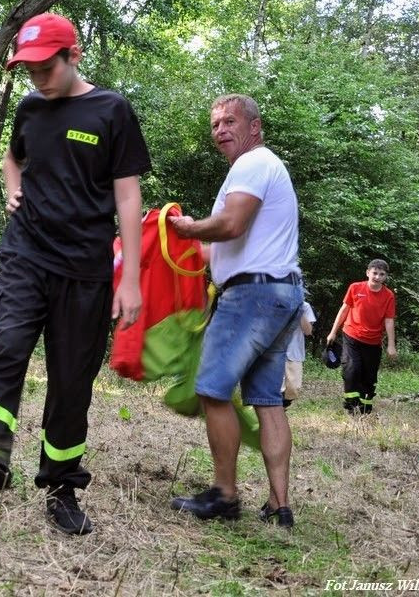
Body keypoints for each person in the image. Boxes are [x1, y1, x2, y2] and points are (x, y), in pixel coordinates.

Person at [0, 12, 150, 536]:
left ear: (74, 56)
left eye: (46, 67)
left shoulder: (111, 110)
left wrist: (131, 277)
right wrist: (11, 184)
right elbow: (12, 155)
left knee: (72, 381)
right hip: (25, 255)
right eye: (28, 70)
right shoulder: (29, 107)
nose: (37, 79)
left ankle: (62, 485)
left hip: (86, 268)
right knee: (4, 351)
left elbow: (127, 194)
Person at [168, 94, 303, 530]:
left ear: (254, 127)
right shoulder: (261, 168)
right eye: (215, 125)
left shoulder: (253, 164)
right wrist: (176, 246)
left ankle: (224, 496)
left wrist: (188, 226)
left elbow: (230, 225)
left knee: (211, 389)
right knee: (267, 401)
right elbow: (220, 246)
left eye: (230, 121)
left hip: (252, 297)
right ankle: (279, 505)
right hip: (281, 294)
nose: (220, 130)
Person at [326, 259, 396, 415]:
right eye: (375, 273)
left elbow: (389, 320)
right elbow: (344, 310)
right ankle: (351, 406)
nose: (377, 277)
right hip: (352, 335)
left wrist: (391, 345)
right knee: (351, 369)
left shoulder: (388, 296)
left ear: (385, 277)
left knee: (369, 376)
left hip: (373, 341)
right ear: (368, 273)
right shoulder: (355, 288)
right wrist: (333, 332)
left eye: (381, 274)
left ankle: (365, 410)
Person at [282, 300, 316, 406]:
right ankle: (275, 416)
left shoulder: (304, 306)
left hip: (294, 352)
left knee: (292, 389)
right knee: (275, 389)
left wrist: (299, 311)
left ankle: (282, 410)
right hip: (273, 353)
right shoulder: (273, 302)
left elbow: (308, 331)